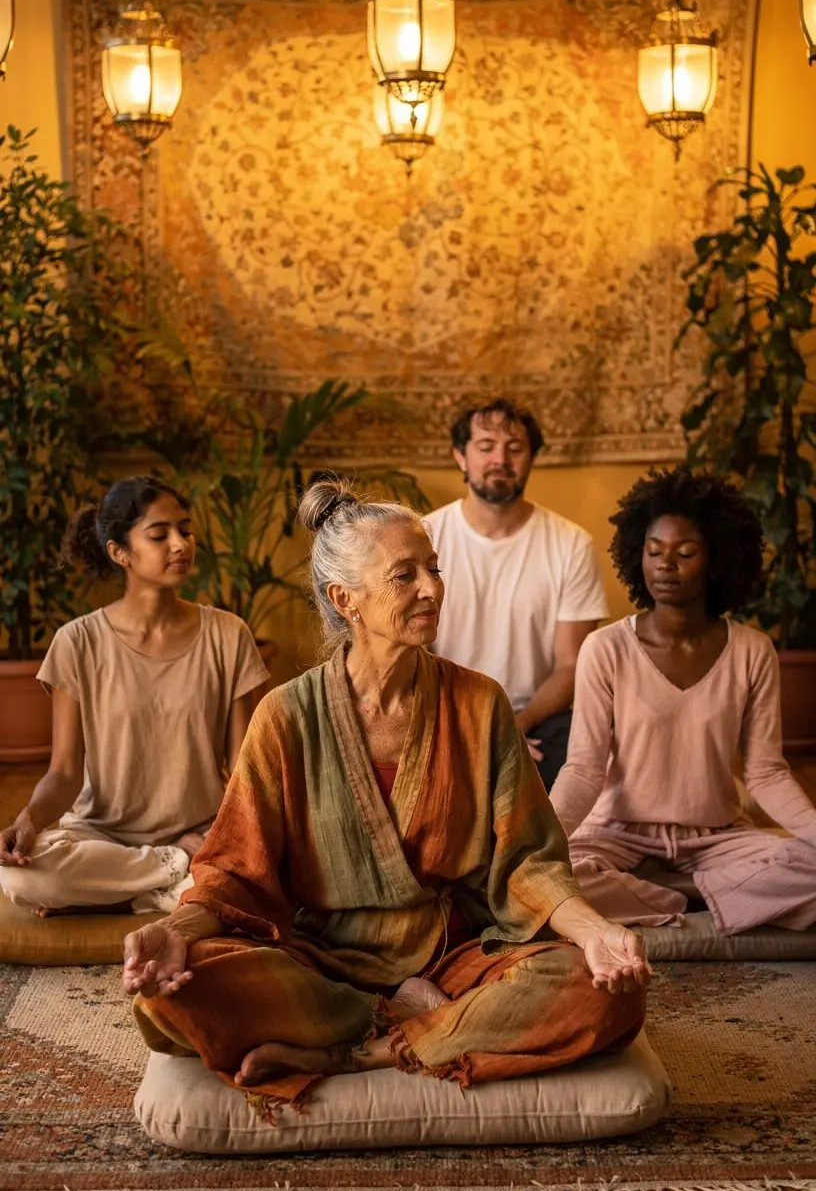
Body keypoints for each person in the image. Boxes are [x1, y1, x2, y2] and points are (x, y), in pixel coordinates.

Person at [124, 479, 649, 1122]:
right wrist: (173, 932)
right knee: (167, 999)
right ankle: (386, 1020)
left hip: (455, 958)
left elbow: (530, 865)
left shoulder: (480, 705)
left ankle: (354, 1055)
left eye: (433, 569)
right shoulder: (285, 716)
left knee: (598, 994)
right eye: (405, 576)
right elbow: (232, 871)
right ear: (347, 600)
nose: (432, 588)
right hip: (320, 965)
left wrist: (596, 932)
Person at [549, 467, 816, 934]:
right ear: (638, 555)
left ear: (716, 561)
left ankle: (679, 894)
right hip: (616, 834)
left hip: (715, 838)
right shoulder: (605, 648)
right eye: (654, 552)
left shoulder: (753, 650)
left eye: (685, 553)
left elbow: (766, 771)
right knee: (546, 879)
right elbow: (584, 769)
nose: (665, 565)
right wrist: (537, 844)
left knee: (807, 865)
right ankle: (702, 899)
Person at [0, 476, 270, 916]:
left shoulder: (229, 635)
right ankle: (169, 880)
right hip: (101, 837)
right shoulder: (77, 642)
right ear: (119, 552)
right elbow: (65, 772)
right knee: (19, 875)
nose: (181, 544)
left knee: (272, 870)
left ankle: (116, 891)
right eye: (159, 535)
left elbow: (244, 769)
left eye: (185, 530)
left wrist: (228, 840)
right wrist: (27, 821)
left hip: (202, 833)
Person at [425, 399, 608, 789]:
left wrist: (513, 728)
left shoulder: (570, 544)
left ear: (531, 458)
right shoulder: (425, 538)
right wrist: (470, 729)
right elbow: (410, 653)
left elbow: (572, 666)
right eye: (486, 446)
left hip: (537, 718)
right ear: (461, 456)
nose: (500, 459)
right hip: (444, 713)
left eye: (515, 447)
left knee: (588, 756)